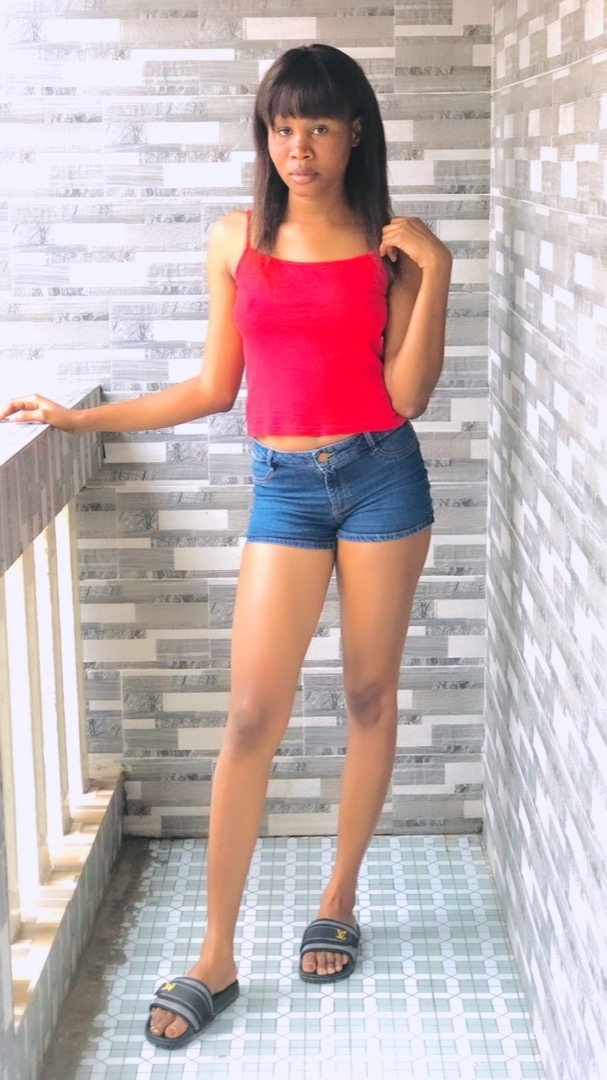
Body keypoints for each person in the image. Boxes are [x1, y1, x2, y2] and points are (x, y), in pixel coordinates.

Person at [0, 44, 452, 1050]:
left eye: (319, 126)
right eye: (282, 127)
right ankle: (216, 952)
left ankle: (337, 897)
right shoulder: (235, 238)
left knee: (368, 695)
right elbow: (214, 388)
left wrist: (438, 271)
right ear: (266, 136)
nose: (299, 147)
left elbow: (407, 394)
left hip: (381, 475)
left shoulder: (391, 248)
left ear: (355, 133)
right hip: (284, 490)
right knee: (250, 716)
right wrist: (80, 420)